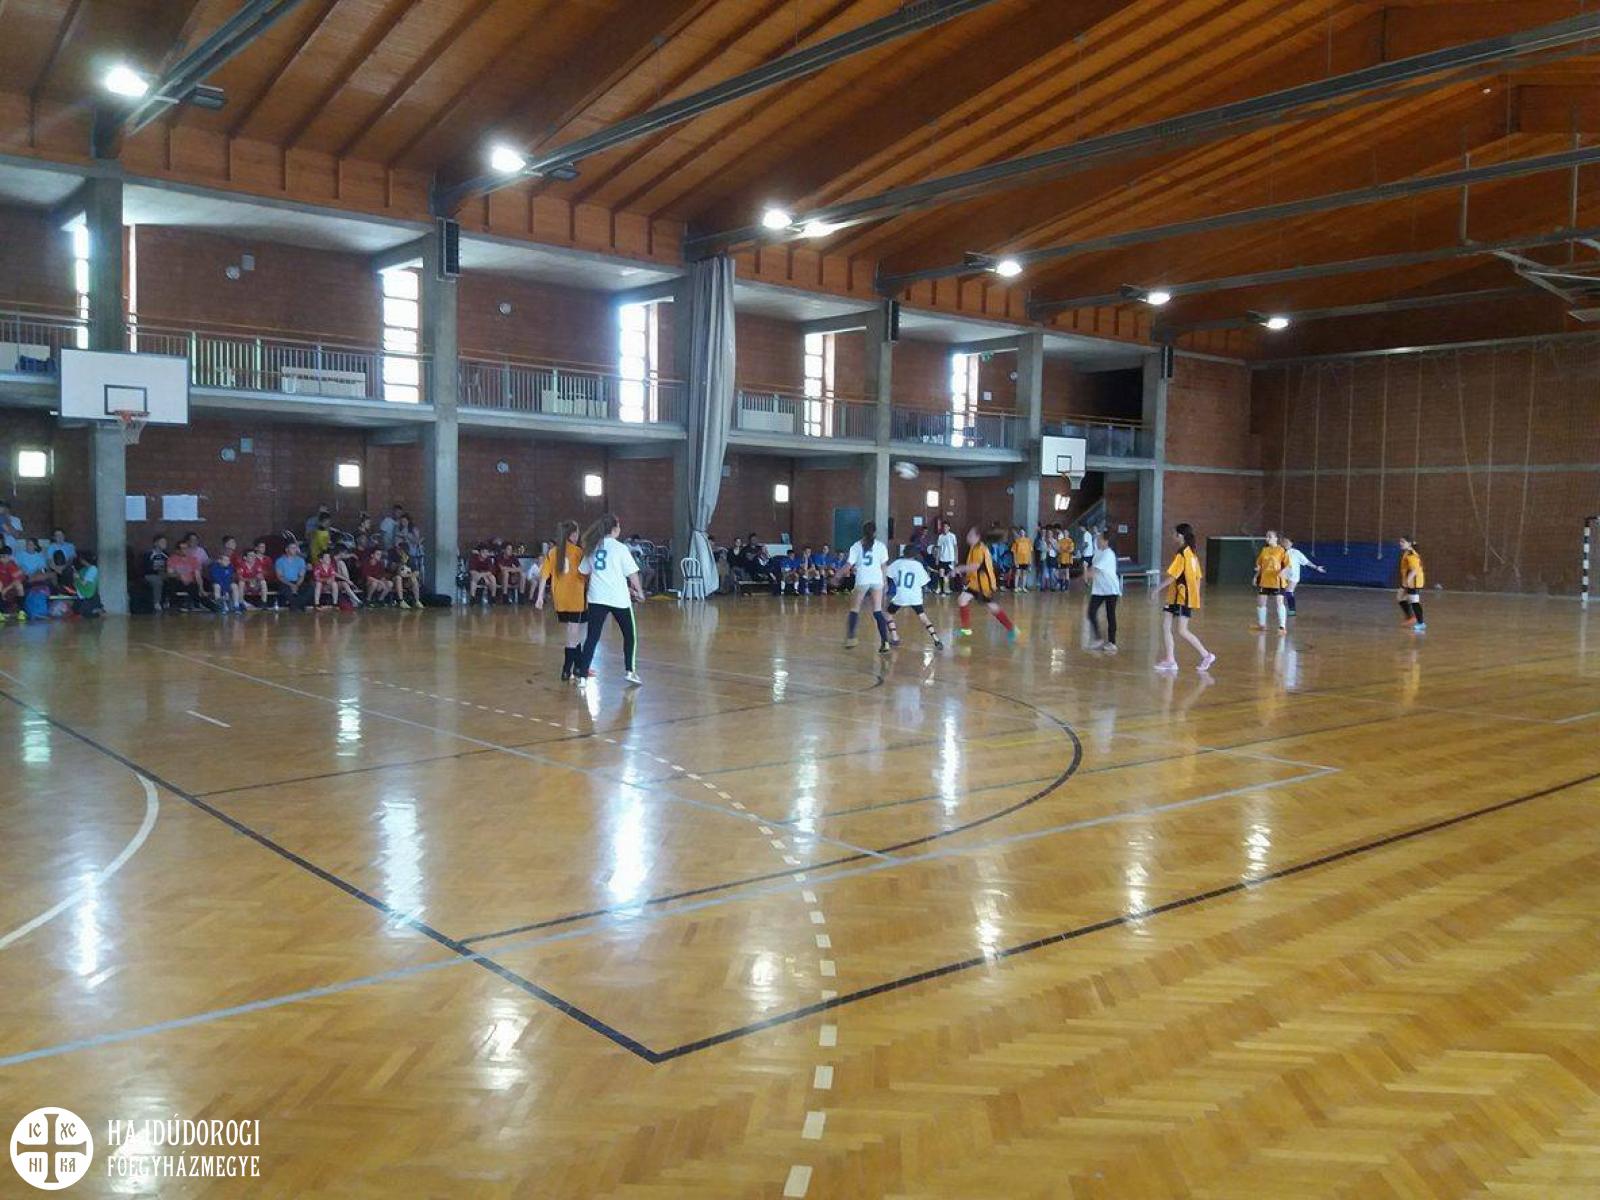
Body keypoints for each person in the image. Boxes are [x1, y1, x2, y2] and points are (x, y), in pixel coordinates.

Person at [575, 513, 645, 685]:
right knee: (629, 635)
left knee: (592, 637)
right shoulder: (620, 548)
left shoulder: (593, 547)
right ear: (614, 529)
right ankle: (630, 671)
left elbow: (583, 571)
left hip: (597, 598)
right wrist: (639, 591)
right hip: (618, 599)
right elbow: (632, 573)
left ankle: (583, 676)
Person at [1153, 522, 1214, 673]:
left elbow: (1173, 576)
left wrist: (1156, 589)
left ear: (1180, 536)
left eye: (1174, 533)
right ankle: (1170, 660)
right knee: (1166, 626)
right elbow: (1198, 577)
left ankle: (1206, 655)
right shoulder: (1192, 553)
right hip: (1177, 597)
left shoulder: (1182, 554)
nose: (1172, 536)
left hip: (1181, 597)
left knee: (1182, 630)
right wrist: (1195, 595)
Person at [535, 520, 588, 681]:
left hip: (560, 598)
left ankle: (578, 666)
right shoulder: (578, 552)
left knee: (572, 632)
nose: (578, 536)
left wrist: (540, 596)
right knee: (573, 633)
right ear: (572, 534)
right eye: (576, 533)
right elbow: (586, 573)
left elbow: (544, 575)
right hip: (576, 597)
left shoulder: (552, 552)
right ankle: (567, 668)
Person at [834, 521, 892, 652]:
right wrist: (885, 582)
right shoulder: (881, 546)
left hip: (862, 579)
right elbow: (884, 566)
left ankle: (851, 638)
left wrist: (837, 576)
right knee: (878, 611)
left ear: (863, 532)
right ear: (875, 532)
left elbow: (848, 565)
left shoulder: (856, 546)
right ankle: (885, 642)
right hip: (877, 580)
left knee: (854, 609)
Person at [953, 526, 1017, 641]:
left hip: (983, 585)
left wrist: (959, 569)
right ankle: (966, 629)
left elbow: (975, 566)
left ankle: (1011, 628)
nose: (968, 537)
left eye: (970, 535)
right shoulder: (974, 548)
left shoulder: (979, 548)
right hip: (975, 583)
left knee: (992, 607)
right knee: (962, 599)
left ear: (977, 537)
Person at [886, 544, 942, 647]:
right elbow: (924, 582)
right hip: (915, 597)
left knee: (889, 614)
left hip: (901, 596)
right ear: (915, 555)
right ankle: (936, 639)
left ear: (904, 553)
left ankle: (895, 637)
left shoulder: (897, 563)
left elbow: (888, 573)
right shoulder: (918, 565)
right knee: (923, 617)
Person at [1087, 530, 1122, 654]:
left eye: (1099, 538)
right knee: (1091, 612)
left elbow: (1093, 570)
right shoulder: (1098, 553)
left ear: (1106, 541)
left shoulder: (1108, 554)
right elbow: (1092, 569)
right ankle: (1098, 639)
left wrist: (1084, 575)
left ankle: (1112, 642)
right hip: (1098, 589)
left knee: (1110, 615)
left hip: (1110, 589)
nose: (1097, 540)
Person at [1252, 529, 1289, 633]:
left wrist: (1283, 571)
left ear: (1276, 538)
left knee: (1279, 602)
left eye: (1270, 537)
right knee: (1261, 602)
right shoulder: (1264, 550)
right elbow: (1260, 565)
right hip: (1265, 581)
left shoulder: (1281, 550)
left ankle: (1282, 627)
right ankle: (1262, 625)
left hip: (1277, 581)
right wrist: (1256, 576)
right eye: (1266, 537)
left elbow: (1287, 565)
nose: (1267, 539)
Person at [1280, 536, 1324, 617]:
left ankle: (1292, 610)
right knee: (1282, 593)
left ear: (1291, 543)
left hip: (1293, 576)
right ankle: (1282, 609)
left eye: (1287, 542)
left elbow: (1306, 562)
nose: (1285, 543)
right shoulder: (1280, 552)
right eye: (1284, 542)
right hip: (1282, 576)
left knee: (1289, 591)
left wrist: (1316, 567)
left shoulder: (1296, 552)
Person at [1397, 536, 1427, 632]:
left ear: (1409, 543)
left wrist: (1407, 582)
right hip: (1409, 581)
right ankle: (1411, 617)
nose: (1400, 543)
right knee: (1400, 597)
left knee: (1414, 601)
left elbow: (1414, 570)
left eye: (1403, 542)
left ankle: (1421, 623)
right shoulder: (1407, 552)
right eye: (1400, 541)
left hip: (1414, 582)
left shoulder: (1411, 554)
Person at [273, 542, 308, 610]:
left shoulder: (301, 560)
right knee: (285, 590)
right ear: (286, 550)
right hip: (285, 582)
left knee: (310, 588)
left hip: (297, 582)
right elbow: (280, 577)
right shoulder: (280, 561)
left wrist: (297, 585)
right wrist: (291, 585)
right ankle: (298, 605)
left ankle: (295, 605)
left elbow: (301, 576)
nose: (294, 550)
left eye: (295, 548)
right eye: (292, 548)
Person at [141, 533, 171, 612]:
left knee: (171, 579)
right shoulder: (148, 554)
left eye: (165, 542)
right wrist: (156, 569)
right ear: (156, 543)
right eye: (162, 542)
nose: (164, 544)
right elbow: (144, 567)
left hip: (163, 574)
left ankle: (167, 600)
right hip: (150, 575)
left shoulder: (166, 555)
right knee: (157, 581)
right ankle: (156, 602)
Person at [208, 547, 242, 613]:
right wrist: (224, 591)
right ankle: (220, 606)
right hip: (218, 585)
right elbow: (217, 579)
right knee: (217, 586)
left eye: (228, 560)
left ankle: (236, 606)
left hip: (226, 585)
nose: (228, 562)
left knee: (234, 586)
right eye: (225, 560)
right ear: (219, 561)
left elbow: (230, 579)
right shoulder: (214, 567)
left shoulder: (230, 567)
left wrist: (226, 590)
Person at [0, 544, 25, 621]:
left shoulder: (12, 565)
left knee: (19, 586)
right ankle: (1, 612)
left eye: (5, 556)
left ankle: (21, 611)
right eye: (1, 556)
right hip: (1, 585)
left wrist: (5, 590)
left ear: (10, 557)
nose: (3, 558)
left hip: (10, 587)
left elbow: (16, 581)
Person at [934, 520, 958, 596]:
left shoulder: (952, 536)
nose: (945, 528)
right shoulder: (940, 537)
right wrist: (937, 558)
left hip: (950, 559)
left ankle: (949, 589)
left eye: (946, 527)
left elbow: (955, 547)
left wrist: (956, 558)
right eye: (943, 527)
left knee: (949, 575)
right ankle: (942, 591)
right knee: (941, 573)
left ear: (949, 527)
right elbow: (939, 548)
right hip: (942, 558)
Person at [1010, 526, 1034, 593]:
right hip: (1018, 560)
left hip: (1026, 560)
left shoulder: (1028, 541)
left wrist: (1030, 562)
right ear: (1019, 533)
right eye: (1021, 532)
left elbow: (1030, 552)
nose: (1022, 533)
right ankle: (1016, 587)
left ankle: (1023, 587)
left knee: (1024, 574)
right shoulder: (1016, 541)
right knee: (1017, 573)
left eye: (1023, 532)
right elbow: (1014, 551)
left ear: (1025, 533)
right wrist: (1015, 561)